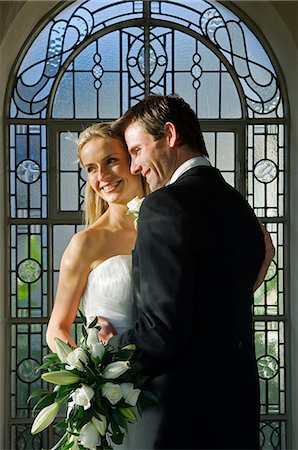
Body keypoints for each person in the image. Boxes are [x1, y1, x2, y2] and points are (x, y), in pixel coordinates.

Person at [98, 94, 273, 450]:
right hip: (236, 418)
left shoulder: (163, 205)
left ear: (170, 135)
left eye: (136, 151)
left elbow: (163, 331)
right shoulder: (239, 206)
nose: (134, 168)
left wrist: (105, 350)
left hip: (178, 423)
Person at [46, 122, 146, 352]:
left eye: (111, 161)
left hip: (171, 378)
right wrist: (91, 375)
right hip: (113, 381)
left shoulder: (168, 230)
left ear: (133, 160)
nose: (102, 176)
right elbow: (56, 329)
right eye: (91, 168)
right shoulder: (85, 243)